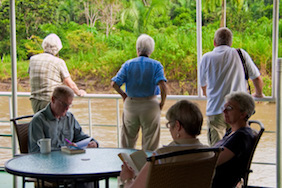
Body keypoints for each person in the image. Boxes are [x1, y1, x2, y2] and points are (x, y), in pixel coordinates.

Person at [119, 100, 211, 188]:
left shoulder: (162, 157)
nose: (170, 129)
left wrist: (128, 178)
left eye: (170, 124)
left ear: (177, 126)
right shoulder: (209, 153)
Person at [200, 27, 264, 146]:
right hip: (238, 110)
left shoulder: (206, 58)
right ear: (231, 43)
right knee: (239, 147)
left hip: (215, 109)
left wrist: (207, 94)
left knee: (216, 150)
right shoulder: (240, 54)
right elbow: (257, 78)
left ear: (214, 42)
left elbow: (203, 86)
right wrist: (259, 94)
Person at [111, 34, 167, 151]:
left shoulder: (128, 64)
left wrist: (123, 95)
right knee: (150, 142)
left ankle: (128, 166)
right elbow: (163, 85)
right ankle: (147, 167)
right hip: (150, 104)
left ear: (137, 49)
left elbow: (114, 84)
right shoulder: (156, 65)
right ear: (151, 50)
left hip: (131, 104)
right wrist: (162, 102)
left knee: (128, 141)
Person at [28, 85, 98, 153]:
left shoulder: (70, 118)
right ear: (53, 99)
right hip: (47, 163)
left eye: (69, 105)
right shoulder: (38, 120)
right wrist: (65, 150)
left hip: (68, 160)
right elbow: (36, 151)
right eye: (64, 104)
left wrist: (93, 142)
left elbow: (80, 136)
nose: (67, 108)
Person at [28, 33, 86, 113]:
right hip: (50, 101)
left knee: (40, 123)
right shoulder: (58, 62)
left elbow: (31, 75)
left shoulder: (33, 59)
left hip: (35, 101)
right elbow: (69, 83)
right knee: (55, 123)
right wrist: (79, 92)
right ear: (57, 48)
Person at [212, 92, 256, 188]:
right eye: (224, 107)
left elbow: (214, 161)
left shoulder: (241, 136)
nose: (224, 111)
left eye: (229, 108)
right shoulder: (232, 132)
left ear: (243, 114)